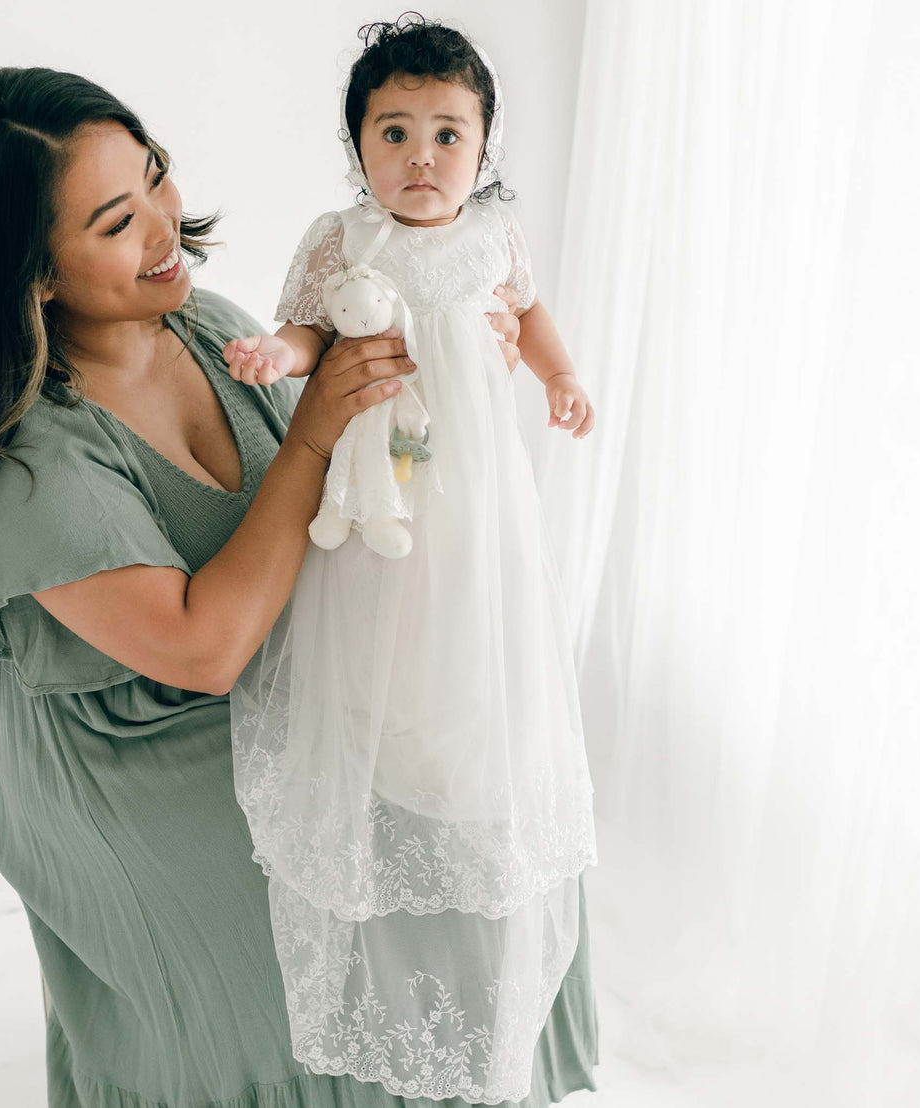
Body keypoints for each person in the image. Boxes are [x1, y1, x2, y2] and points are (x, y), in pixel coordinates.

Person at [0, 65, 599, 1108]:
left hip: (277, 670)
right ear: (30, 274)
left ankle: (468, 1069)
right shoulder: (34, 470)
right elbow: (206, 646)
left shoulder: (204, 323)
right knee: (374, 872)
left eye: (155, 176)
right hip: (146, 747)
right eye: (119, 220)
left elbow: (355, 479)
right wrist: (314, 430)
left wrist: (439, 393)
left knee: (499, 794)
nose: (166, 224)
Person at [222, 18, 598, 1103]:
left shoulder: (496, 240)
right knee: (372, 612)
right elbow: (305, 332)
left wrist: (560, 378)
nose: (422, 157)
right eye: (395, 133)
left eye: (448, 133)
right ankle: (384, 750)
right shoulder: (343, 241)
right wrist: (274, 353)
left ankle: (466, 756)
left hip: (474, 495)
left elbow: (527, 322)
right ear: (359, 148)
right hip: (369, 490)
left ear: (482, 151)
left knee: (471, 612)